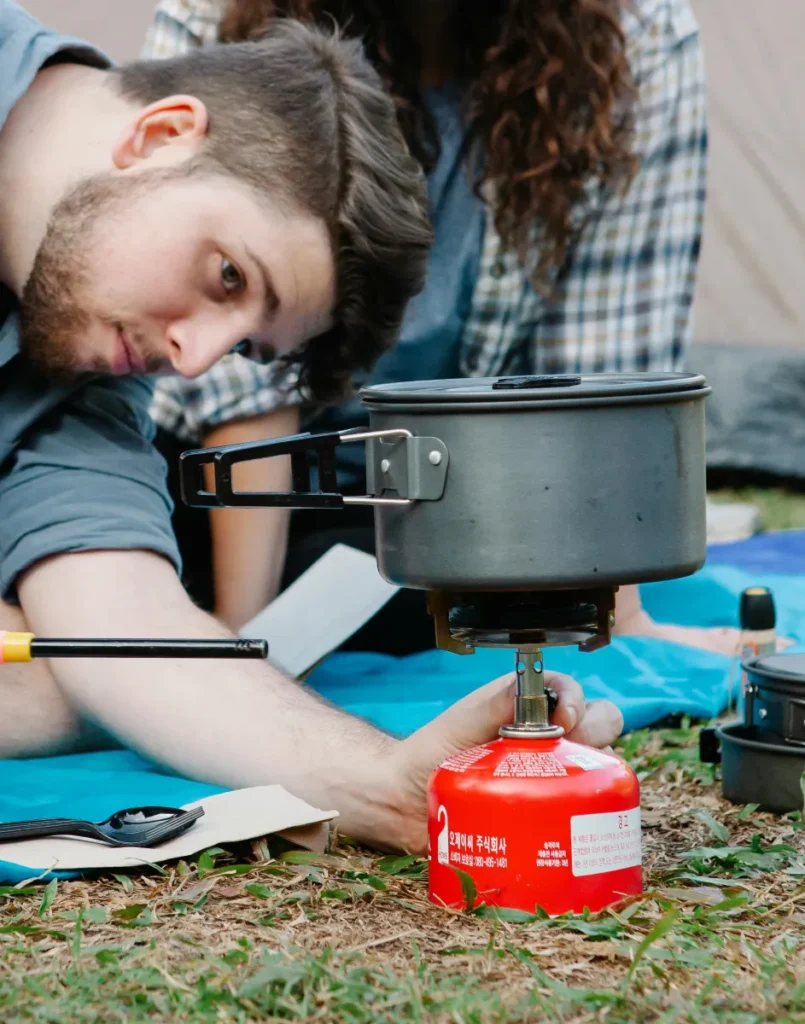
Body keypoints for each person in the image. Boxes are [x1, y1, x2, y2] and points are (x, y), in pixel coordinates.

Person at [0, 0, 622, 855]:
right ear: (162, 135)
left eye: (245, 345)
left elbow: (120, 636)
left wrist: (391, 786)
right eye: (226, 274)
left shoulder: (81, 382)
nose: (193, 359)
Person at [143, 0, 740, 657]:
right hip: (220, 476)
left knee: (445, 593)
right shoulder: (215, 14)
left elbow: (602, 356)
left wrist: (617, 619)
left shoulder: (638, 32)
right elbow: (225, 343)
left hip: (446, 495)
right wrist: (242, 637)